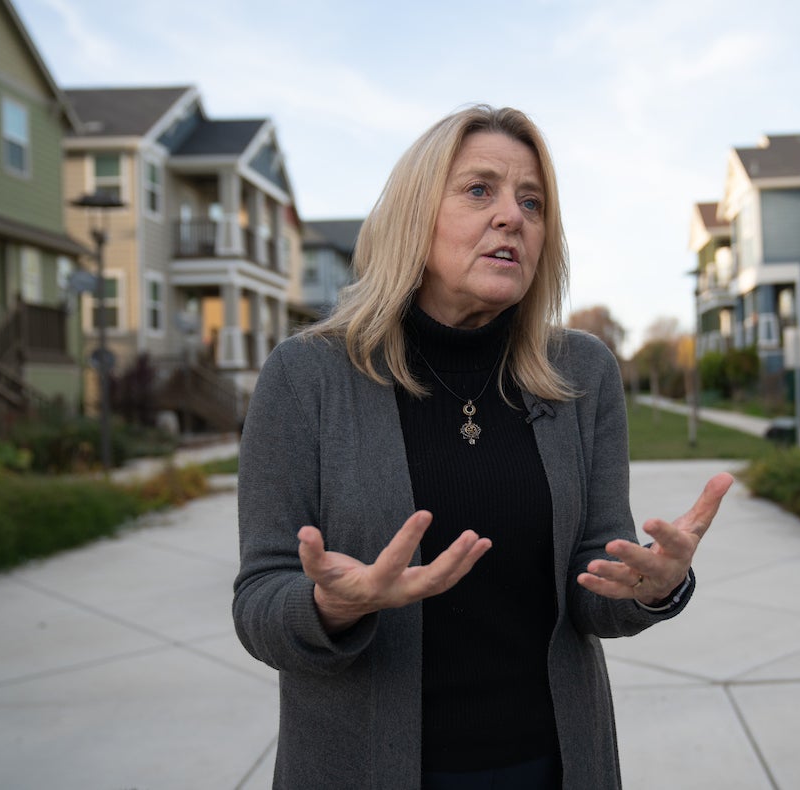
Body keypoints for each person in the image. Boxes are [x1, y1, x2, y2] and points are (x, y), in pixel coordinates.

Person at [233, 104, 733, 789]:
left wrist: (651, 588)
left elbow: (595, 588)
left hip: (552, 767)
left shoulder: (581, 373)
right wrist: (334, 606)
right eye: (479, 190)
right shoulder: (307, 376)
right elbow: (259, 603)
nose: (512, 217)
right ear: (413, 216)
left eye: (532, 201)